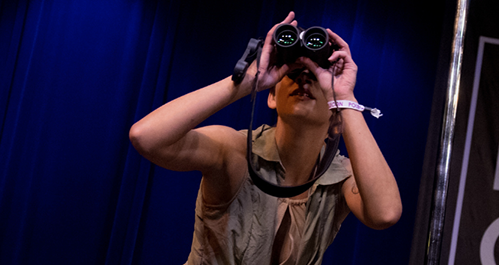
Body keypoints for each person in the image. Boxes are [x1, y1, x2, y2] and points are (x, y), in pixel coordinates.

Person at [129, 12, 402, 265]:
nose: (304, 81)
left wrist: (345, 98)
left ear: (334, 111)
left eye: (316, 78)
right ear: (271, 96)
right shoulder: (234, 151)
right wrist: (246, 82)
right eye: (293, 74)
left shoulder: (340, 176)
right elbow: (146, 137)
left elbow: (385, 213)